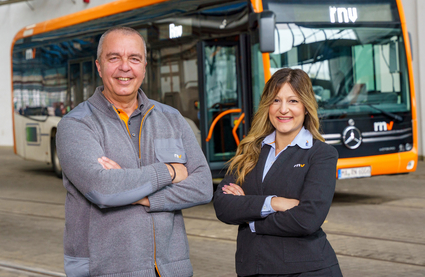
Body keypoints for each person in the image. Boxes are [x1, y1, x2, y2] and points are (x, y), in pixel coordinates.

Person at [57, 26, 213, 277]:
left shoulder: (172, 118)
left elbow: (203, 186)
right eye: (114, 58)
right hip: (105, 271)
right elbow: (103, 189)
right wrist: (170, 171)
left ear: (144, 65)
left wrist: (144, 197)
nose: (125, 67)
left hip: (171, 270)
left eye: (134, 58)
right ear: (99, 66)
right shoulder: (76, 125)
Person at [213, 68, 342, 277]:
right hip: (252, 268)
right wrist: (273, 203)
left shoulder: (321, 154)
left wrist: (250, 218)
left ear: (306, 107)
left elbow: (307, 219)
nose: (283, 109)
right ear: (267, 106)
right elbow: (223, 205)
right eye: (276, 101)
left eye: (293, 101)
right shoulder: (250, 151)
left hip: (305, 270)